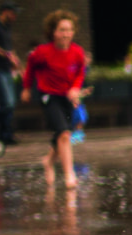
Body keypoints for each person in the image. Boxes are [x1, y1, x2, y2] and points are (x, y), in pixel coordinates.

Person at [21, 9, 86, 188]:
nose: (66, 34)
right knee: (64, 134)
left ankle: (48, 161)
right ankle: (69, 174)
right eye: (61, 30)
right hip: (49, 96)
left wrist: (75, 88)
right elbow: (30, 69)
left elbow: (80, 73)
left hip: (67, 97)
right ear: (52, 32)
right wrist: (26, 88)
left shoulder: (77, 52)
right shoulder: (42, 52)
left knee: (63, 133)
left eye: (69, 30)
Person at [0, 1, 21, 146]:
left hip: (7, 70)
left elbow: (8, 49)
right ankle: (5, 133)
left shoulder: (7, 29)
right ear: (5, 11)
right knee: (7, 102)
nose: (15, 17)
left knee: (10, 103)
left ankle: (6, 134)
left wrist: (15, 60)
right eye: (13, 13)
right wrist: (8, 56)